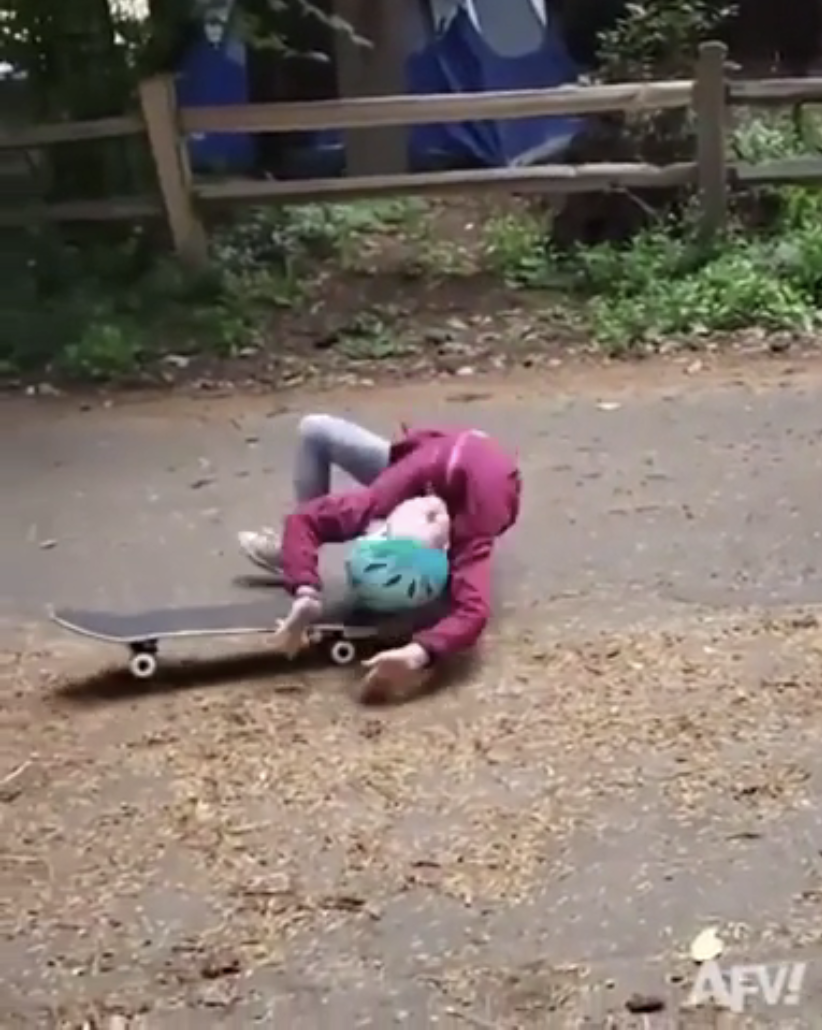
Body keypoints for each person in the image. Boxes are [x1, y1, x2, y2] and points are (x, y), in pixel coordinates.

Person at [238, 414, 521, 702]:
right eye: (425, 517)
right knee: (314, 429)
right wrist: (304, 588)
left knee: (449, 593)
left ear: (446, 547)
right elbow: (304, 519)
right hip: (418, 461)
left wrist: (418, 653)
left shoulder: (476, 526)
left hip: (462, 481)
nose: (433, 510)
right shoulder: (385, 495)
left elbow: (473, 612)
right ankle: (297, 553)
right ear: (388, 522)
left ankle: (300, 553)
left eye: (431, 521)